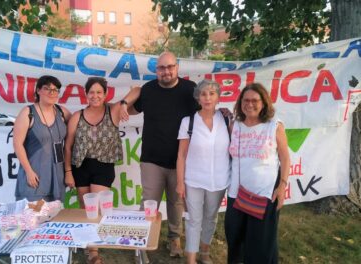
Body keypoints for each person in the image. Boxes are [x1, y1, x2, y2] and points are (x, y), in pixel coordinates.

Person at [120, 51, 198, 257]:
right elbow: (135, 106)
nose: (166, 71)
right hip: (152, 158)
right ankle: (140, 239)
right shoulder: (148, 89)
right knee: (148, 202)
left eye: (170, 67)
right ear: (156, 70)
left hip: (180, 159)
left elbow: (205, 111)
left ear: (177, 68)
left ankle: (174, 239)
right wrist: (124, 103)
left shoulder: (190, 90)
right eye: (162, 68)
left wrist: (222, 113)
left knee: (176, 202)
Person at [225, 83, 290, 264]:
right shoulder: (234, 126)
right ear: (240, 103)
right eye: (246, 100)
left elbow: (285, 158)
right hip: (236, 195)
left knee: (260, 245)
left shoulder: (274, 126)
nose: (250, 104)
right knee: (234, 241)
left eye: (255, 100)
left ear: (264, 103)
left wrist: (282, 186)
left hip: (264, 194)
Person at [64, 77, 123, 264]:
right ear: (86, 94)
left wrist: (124, 104)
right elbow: (68, 147)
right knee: (85, 209)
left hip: (103, 166)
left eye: (99, 92)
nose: (95, 96)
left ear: (105, 94)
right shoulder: (77, 116)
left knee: (96, 209)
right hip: (80, 167)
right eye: (91, 92)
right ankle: (92, 250)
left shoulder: (113, 111)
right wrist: (67, 171)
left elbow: (137, 90)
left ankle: (95, 249)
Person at [176, 80, 230, 264]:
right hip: (194, 180)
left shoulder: (226, 119)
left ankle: (205, 251)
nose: (207, 98)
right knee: (193, 219)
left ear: (218, 97)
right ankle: (191, 258)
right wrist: (180, 183)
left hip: (219, 180)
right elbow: (181, 155)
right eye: (203, 94)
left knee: (211, 218)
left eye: (211, 93)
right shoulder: (188, 121)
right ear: (197, 97)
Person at [13, 75, 71, 202]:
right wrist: (28, 171)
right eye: (47, 89)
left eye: (55, 90)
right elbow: (17, 144)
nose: (52, 93)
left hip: (57, 174)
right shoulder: (28, 113)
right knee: (32, 216)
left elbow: (78, 128)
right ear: (38, 90)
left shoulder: (62, 112)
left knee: (54, 215)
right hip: (35, 173)